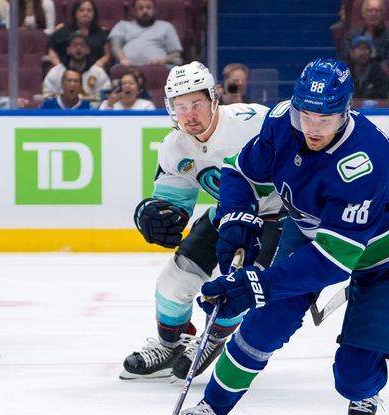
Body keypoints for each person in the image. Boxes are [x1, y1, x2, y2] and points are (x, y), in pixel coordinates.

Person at [170, 58, 389, 415]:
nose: (312, 127)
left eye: (324, 119)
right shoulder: (281, 121)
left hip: (388, 248)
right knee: (266, 322)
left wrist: (258, 284)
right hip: (314, 226)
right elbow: (238, 171)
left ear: (346, 111)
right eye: (306, 114)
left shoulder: (362, 163)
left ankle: (366, 384)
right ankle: (212, 404)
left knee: (353, 378)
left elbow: (331, 261)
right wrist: (238, 216)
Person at [120, 61, 282, 381]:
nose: (190, 115)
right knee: (173, 281)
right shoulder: (174, 147)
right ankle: (170, 347)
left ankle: (212, 338)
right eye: (181, 107)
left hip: (278, 216)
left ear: (213, 99)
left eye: (196, 104)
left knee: (237, 285)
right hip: (227, 215)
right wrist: (156, 215)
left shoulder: (254, 122)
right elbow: (175, 203)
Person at [108, 0, 182, 68]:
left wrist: (163, 60)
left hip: (158, 68)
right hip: (129, 69)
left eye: (149, 7)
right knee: (117, 69)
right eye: (140, 8)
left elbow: (176, 54)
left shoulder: (166, 26)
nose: (145, 11)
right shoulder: (122, 25)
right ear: (134, 11)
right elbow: (115, 47)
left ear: (155, 10)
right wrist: (123, 59)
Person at [339, 0, 389, 77]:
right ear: (363, 13)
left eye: (377, 10)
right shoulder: (351, 36)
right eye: (370, 10)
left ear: (383, 14)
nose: (373, 13)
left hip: (380, 80)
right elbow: (344, 60)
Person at [42, 32, 110, 102]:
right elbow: (47, 96)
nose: (78, 48)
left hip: (90, 112)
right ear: (68, 50)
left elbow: (106, 97)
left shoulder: (98, 73)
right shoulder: (55, 73)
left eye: (82, 45)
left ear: (88, 50)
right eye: (75, 45)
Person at [48, 0, 111, 69]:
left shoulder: (102, 32)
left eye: (89, 10)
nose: (85, 13)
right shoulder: (63, 30)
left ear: (94, 13)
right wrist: (59, 67)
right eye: (81, 10)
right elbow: (52, 50)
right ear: (75, 13)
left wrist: (99, 64)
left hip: (95, 72)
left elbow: (107, 54)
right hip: (66, 72)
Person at [348, 35, 389, 99]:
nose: (362, 53)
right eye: (358, 48)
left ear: (371, 53)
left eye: (365, 48)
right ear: (351, 53)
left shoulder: (379, 73)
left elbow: (384, 96)